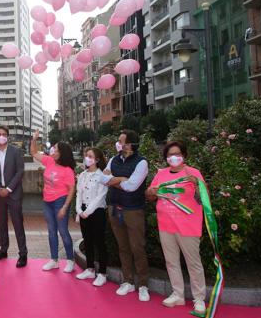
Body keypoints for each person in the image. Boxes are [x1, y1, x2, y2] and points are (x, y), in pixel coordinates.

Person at [145, 141, 206, 316]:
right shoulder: (161, 174)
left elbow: (205, 198)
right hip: (166, 225)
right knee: (171, 262)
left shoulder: (193, 173)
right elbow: (150, 196)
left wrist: (198, 184)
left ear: (184, 155)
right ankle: (178, 294)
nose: (174, 157)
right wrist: (150, 192)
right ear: (166, 158)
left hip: (188, 226)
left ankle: (199, 299)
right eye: (170, 154)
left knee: (193, 263)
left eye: (178, 153)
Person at [100, 130, 150, 302]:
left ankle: (143, 285)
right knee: (123, 247)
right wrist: (121, 178)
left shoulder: (141, 162)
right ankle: (127, 281)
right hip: (114, 208)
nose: (118, 143)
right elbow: (102, 178)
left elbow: (132, 186)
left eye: (121, 141)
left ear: (129, 145)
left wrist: (114, 180)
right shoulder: (114, 159)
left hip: (133, 210)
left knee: (137, 247)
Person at [30, 130, 76, 273]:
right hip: (47, 201)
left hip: (60, 201)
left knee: (62, 230)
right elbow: (33, 152)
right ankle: (54, 260)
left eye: (55, 148)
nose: (53, 149)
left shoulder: (67, 170)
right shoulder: (49, 161)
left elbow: (71, 190)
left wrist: (64, 207)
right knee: (51, 231)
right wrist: (34, 139)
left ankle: (70, 260)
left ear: (61, 153)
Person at [0, 125, 27, 268]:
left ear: (7, 136)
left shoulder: (16, 151)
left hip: (13, 193)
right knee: (1, 224)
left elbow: (20, 171)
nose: (1, 136)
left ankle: (23, 254)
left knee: (18, 224)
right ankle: (3, 250)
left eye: (3, 134)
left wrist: (8, 189)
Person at [75, 147, 109, 287]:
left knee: (99, 242)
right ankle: (89, 269)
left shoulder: (102, 176)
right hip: (83, 210)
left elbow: (100, 196)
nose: (87, 158)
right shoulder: (82, 175)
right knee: (87, 240)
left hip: (96, 211)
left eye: (90, 156)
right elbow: (79, 194)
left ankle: (102, 273)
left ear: (97, 159)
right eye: (86, 155)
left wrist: (87, 211)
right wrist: (78, 210)